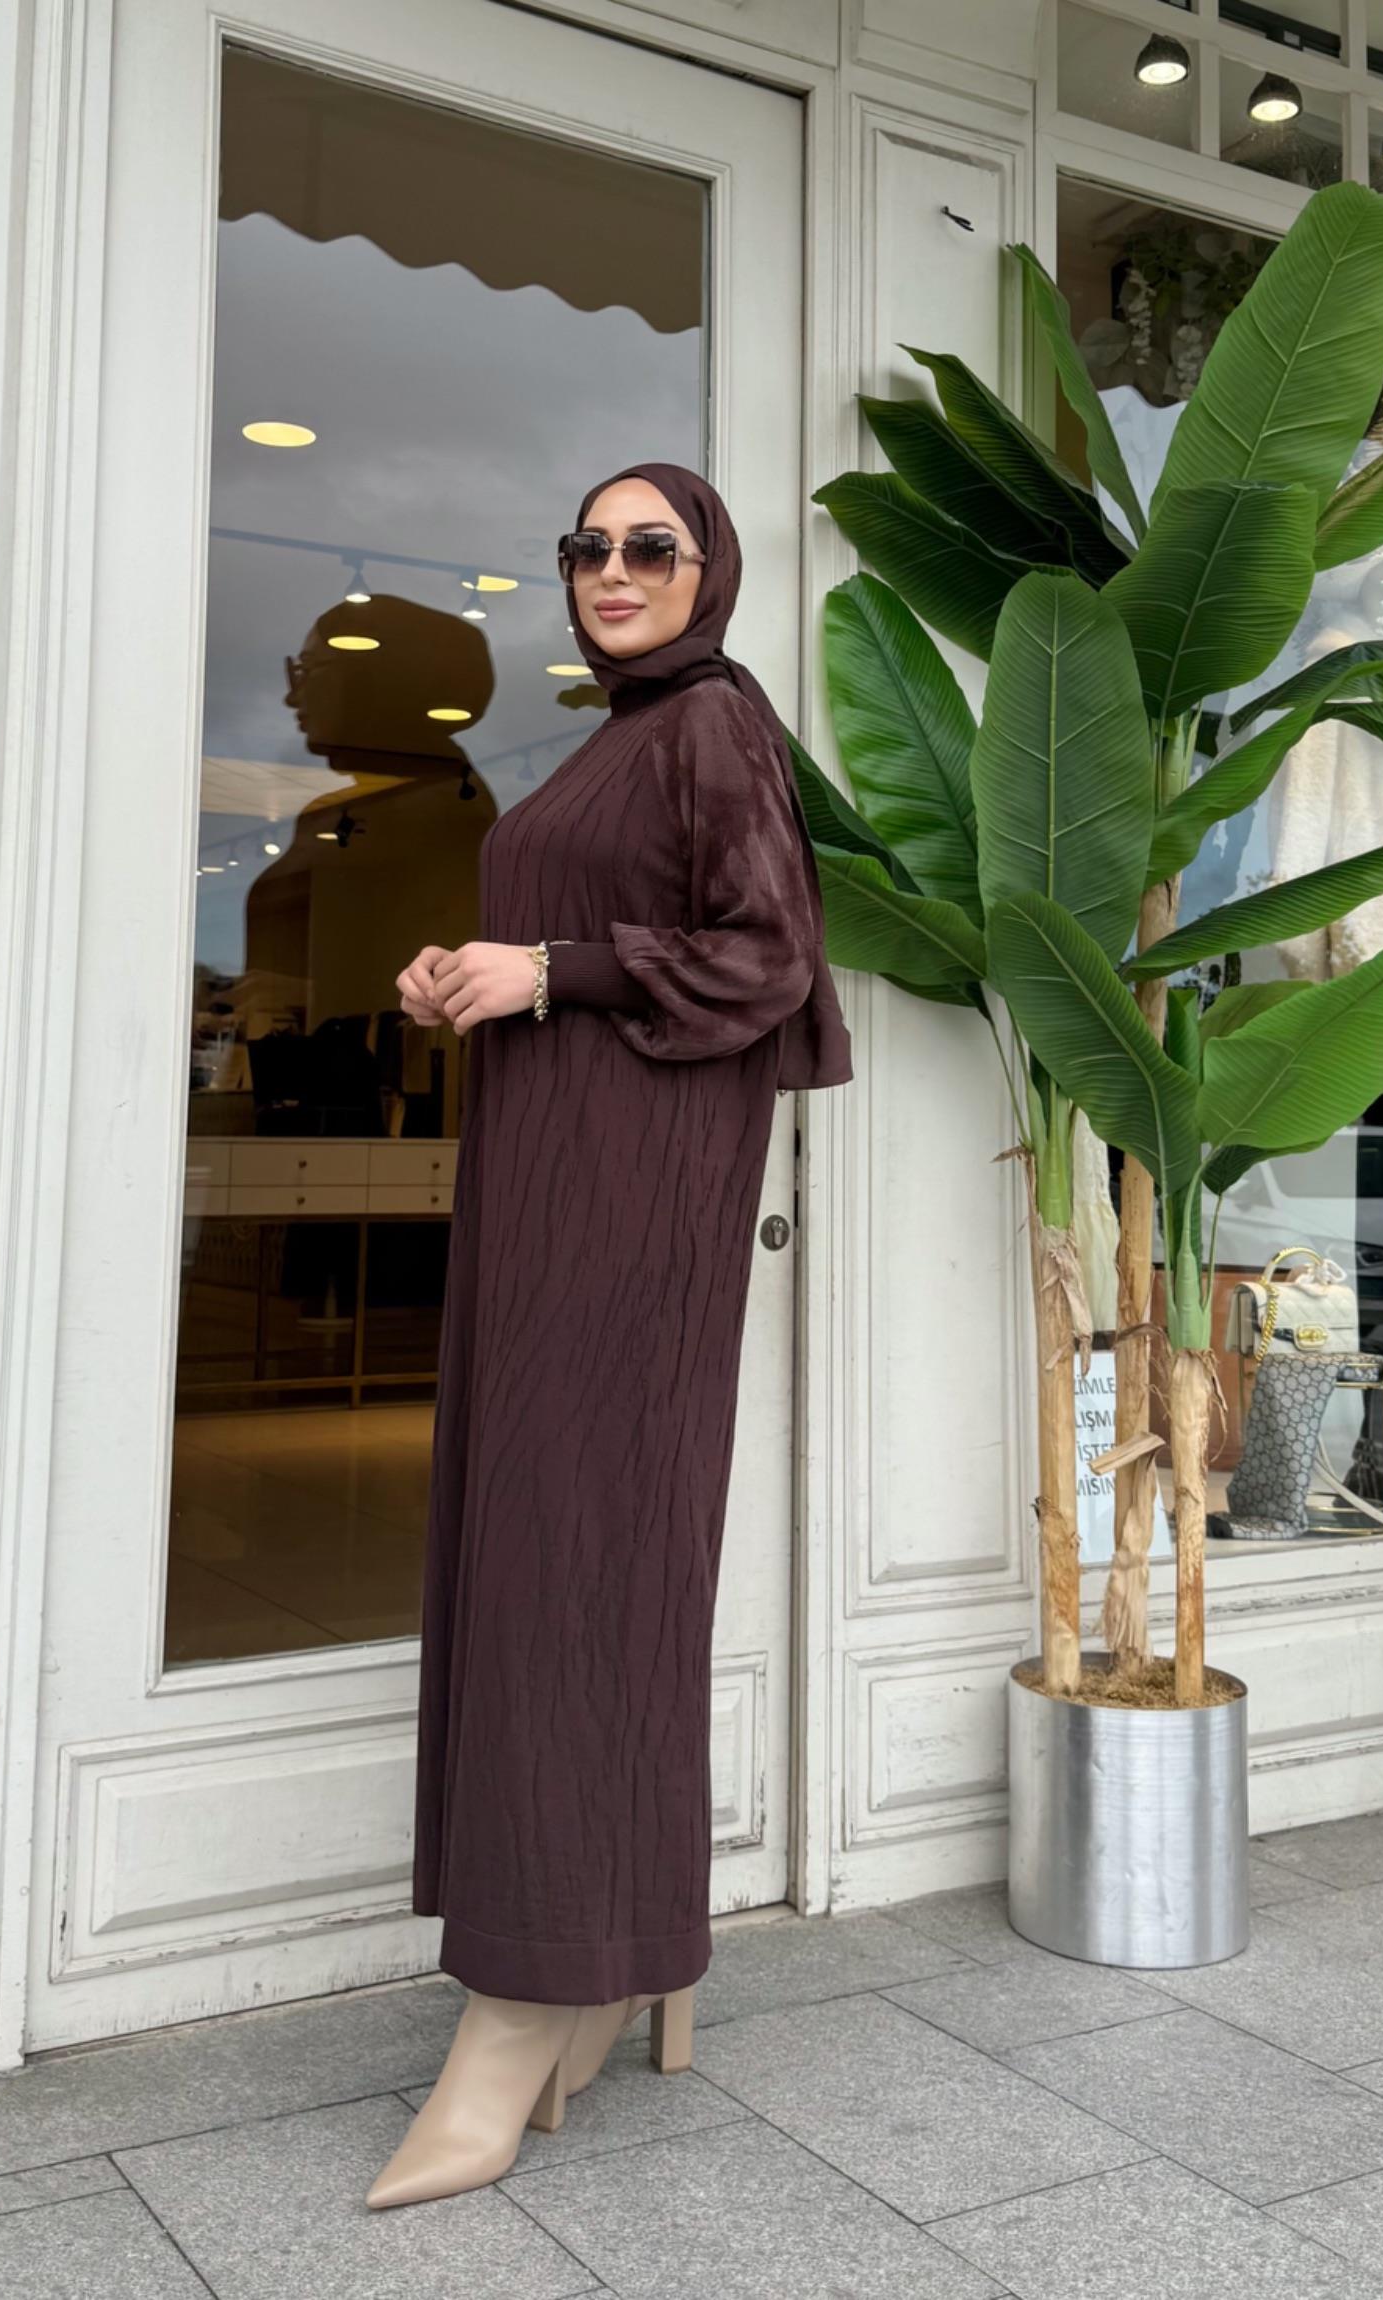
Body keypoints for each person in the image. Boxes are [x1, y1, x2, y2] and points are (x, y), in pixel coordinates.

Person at [366, 463, 852, 2210]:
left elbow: (767, 955)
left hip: (632, 1210)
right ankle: (592, 1961)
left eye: (654, 547)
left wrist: (550, 973)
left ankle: (525, 2009)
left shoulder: (714, 720)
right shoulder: (617, 736)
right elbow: (590, 939)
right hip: (552, 1187)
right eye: (589, 549)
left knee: (578, 1563)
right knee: (538, 1554)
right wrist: (470, 969)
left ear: (712, 569)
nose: (614, 570)